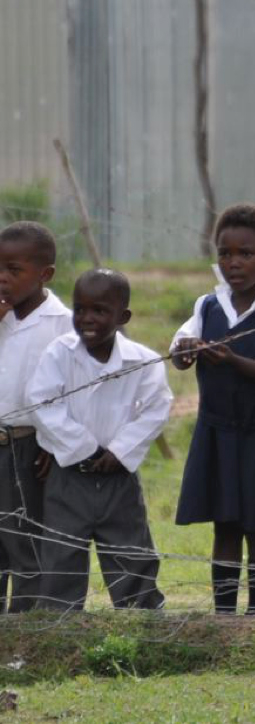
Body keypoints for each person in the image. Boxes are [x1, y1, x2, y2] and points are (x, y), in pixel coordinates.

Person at [171, 204, 255, 615]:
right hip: (216, 431)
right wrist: (186, 349)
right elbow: (178, 355)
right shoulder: (207, 306)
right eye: (225, 253)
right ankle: (224, 616)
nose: (234, 263)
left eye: (246, 253)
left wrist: (231, 360)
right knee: (225, 525)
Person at [28, 268, 170, 611]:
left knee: (130, 550)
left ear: (123, 317)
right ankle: (59, 622)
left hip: (119, 477)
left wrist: (120, 451)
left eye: (100, 310)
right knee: (61, 554)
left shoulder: (144, 361)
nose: (87, 318)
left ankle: (141, 616)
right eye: (80, 309)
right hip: (68, 476)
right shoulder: (59, 353)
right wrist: (85, 449)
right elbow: (42, 403)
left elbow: (157, 408)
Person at [0, 221, 70, 613]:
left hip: (28, 447)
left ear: (45, 274)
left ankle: (24, 629)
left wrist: (55, 443)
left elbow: (75, 391)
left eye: (13, 269)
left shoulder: (64, 325)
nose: (2, 278)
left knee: (25, 541)